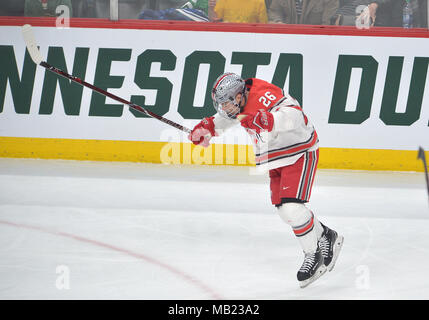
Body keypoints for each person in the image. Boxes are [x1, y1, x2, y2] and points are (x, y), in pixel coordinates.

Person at [188, 73, 344, 288]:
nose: (225, 108)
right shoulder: (238, 102)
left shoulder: (263, 95)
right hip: (276, 156)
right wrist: (207, 128)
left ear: (240, 96)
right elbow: (227, 118)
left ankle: (313, 255)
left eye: (227, 103)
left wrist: (270, 119)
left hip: (299, 151)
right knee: (285, 211)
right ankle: (326, 236)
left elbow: (294, 115)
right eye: (221, 104)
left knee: (292, 208)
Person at [268, 0, 339, 25]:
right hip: (286, 41)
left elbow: (328, 25)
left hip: (315, 43)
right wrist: (277, 22)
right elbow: (275, 12)